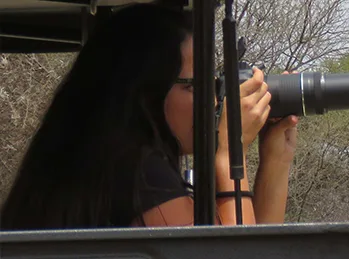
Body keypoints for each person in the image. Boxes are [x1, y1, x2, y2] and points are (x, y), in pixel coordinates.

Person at [0, 3, 298, 229]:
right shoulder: (138, 171)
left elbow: (261, 247)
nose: (212, 101)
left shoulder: (103, 164)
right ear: (146, 95)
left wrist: (276, 159)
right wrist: (230, 154)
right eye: (197, 85)